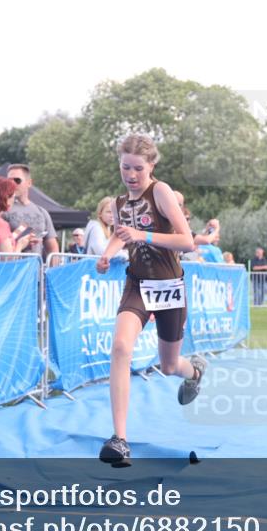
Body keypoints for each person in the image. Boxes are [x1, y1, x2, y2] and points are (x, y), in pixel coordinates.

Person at [95, 134, 207, 466]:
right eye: (125, 167)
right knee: (120, 347)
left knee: (169, 365)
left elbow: (187, 241)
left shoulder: (160, 191)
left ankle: (195, 372)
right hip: (137, 283)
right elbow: (119, 232)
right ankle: (119, 439)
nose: (131, 175)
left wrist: (143, 235)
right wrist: (107, 254)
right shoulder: (117, 203)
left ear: (151, 166)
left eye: (138, 169)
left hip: (169, 284)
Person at [4, 164, 59, 263]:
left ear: (29, 183)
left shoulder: (42, 212)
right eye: (9, 181)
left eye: (17, 180)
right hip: (12, 270)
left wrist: (53, 274)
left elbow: (52, 248)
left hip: (35, 271)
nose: (12, 184)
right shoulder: (3, 209)